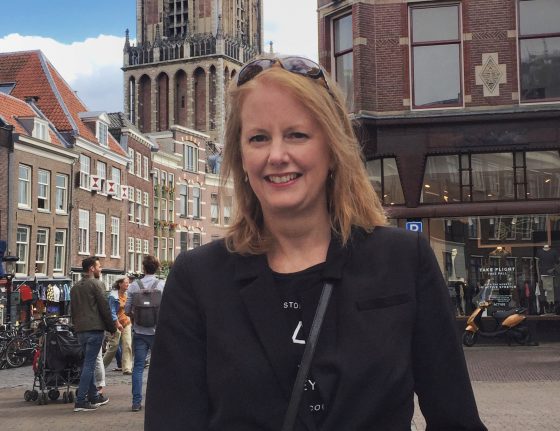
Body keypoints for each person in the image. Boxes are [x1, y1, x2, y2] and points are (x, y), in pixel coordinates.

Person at [145, 56, 487, 430]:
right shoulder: (198, 279)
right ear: (241, 157)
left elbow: (456, 420)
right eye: (259, 138)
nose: (277, 155)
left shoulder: (404, 260)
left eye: (297, 135)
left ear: (333, 149)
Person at [70, 256, 115, 412]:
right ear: (91, 268)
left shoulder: (75, 287)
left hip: (80, 330)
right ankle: (81, 401)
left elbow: (73, 310)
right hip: (94, 330)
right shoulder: (97, 284)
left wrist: (75, 326)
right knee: (89, 365)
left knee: (87, 363)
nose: (100, 269)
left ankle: (94, 396)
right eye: (99, 266)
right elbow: (104, 307)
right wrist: (112, 328)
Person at [125, 256, 164, 412]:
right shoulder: (162, 285)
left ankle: (136, 402)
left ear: (143, 268)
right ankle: (158, 401)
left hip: (140, 332)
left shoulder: (134, 286)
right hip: (157, 333)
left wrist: (136, 316)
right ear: (157, 268)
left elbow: (127, 310)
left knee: (138, 367)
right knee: (159, 367)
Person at [103, 277, 133, 374]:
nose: (128, 284)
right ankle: (101, 367)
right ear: (120, 284)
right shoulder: (113, 296)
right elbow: (112, 312)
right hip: (115, 323)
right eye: (126, 283)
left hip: (126, 322)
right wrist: (117, 324)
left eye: (128, 283)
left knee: (127, 344)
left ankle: (127, 368)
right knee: (114, 346)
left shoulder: (127, 295)